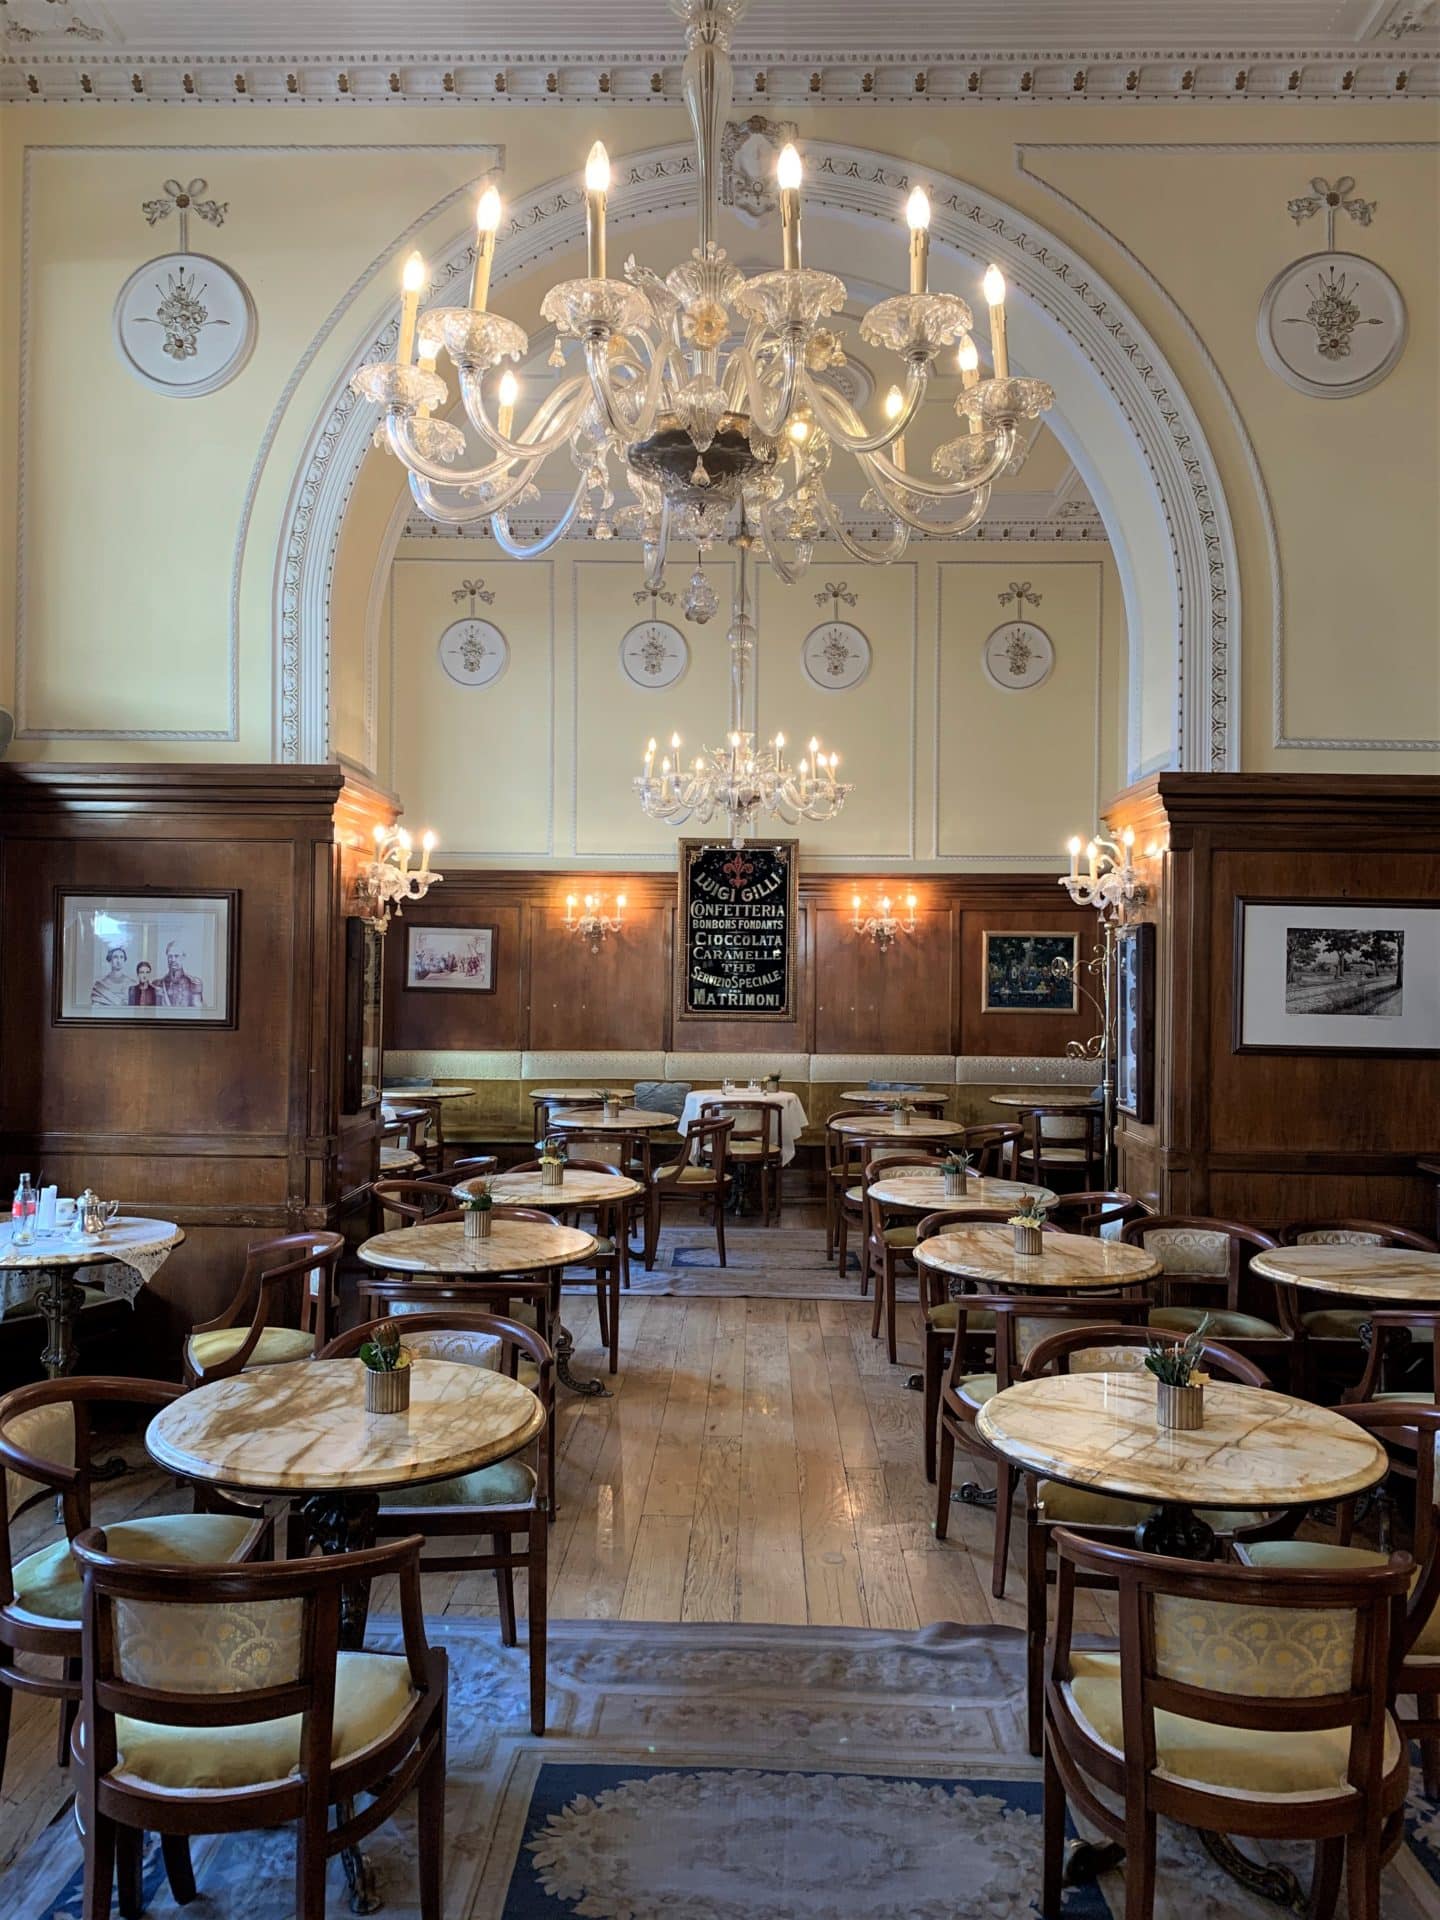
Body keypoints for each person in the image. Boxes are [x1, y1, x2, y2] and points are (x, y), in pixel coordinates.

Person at [157, 941, 204, 1008]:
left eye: (176, 956)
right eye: (170, 956)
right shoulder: (159, 984)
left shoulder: (193, 983)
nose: (173, 960)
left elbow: (198, 1011)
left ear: (183, 957)